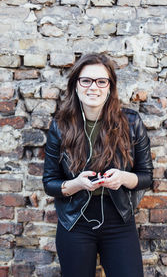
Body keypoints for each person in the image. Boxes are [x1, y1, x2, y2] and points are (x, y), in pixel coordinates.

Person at [43, 53, 153, 277]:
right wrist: (77, 183)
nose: (94, 87)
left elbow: (146, 177)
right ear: (75, 85)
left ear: (110, 87)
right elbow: (50, 183)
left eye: (101, 81)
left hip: (119, 219)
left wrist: (123, 178)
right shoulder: (60, 126)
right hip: (75, 220)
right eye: (86, 80)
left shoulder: (131, 123)